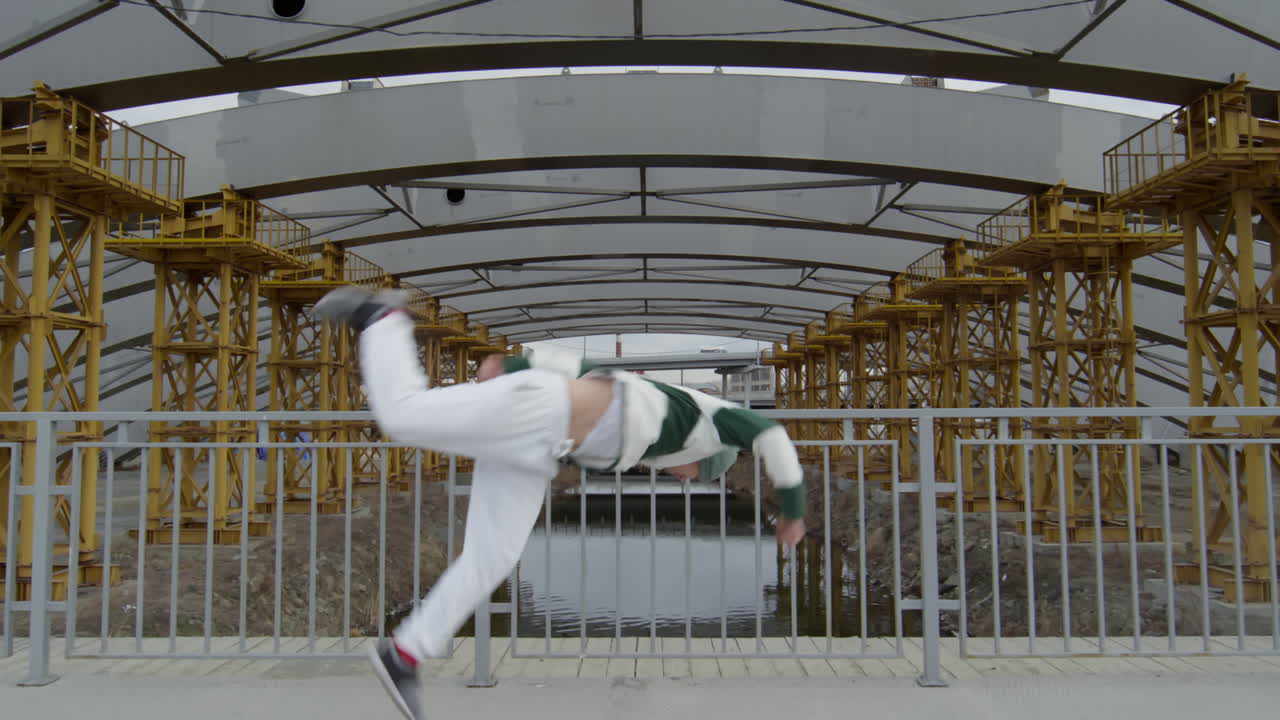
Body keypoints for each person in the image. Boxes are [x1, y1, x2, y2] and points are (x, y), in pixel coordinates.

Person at [313, 286, 806, 720]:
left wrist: (516, 362)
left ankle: (405, 655)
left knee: (494, 558)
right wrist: (793, 511)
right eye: (693, 476)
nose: (683, 480)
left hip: (541, 447)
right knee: (403, 416)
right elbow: (771, 433)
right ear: (704, 461)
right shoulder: (709, 422)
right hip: (538, 409)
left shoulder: (661, 419)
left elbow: (592, 369)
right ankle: (382, 319)